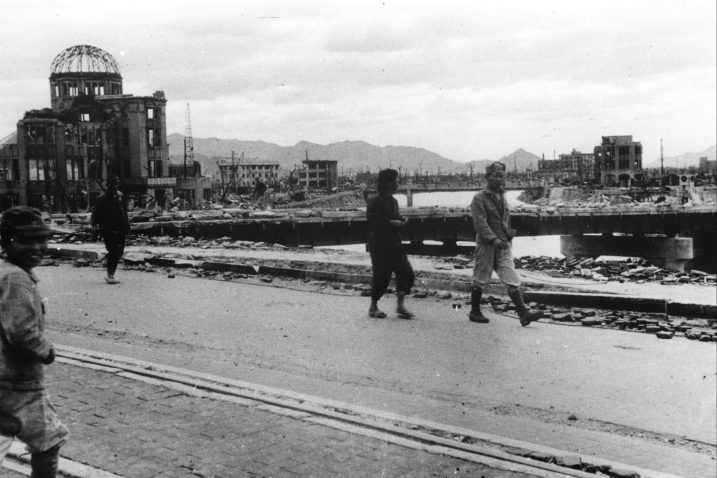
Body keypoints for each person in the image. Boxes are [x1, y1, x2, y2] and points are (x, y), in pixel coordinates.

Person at [0, 206, 69, 476]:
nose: (38, 247)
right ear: (5, 241)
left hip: (6, 378)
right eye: (27, 240)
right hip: (21, 384)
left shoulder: (7, 271)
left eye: (43, 239)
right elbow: (21, 332)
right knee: (49, 440)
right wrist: (46, 351)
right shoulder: (16, 278)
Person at [469, 162, 538, 326]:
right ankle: (474, 311)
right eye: (495, 176)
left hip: (503, 244)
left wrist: (508, 233)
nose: (499, 179)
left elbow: (505, 218)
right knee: (481, 277)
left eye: (501, 176)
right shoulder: (479, 198)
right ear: (487, 177)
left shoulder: (502, 196)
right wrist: (493, 239)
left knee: (511, 277)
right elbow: (480, 223)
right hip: (487, 244)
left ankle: (523, 313)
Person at [366, 169, 415, 319]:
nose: (397, 184)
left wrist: (401, 219)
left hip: (395, 243)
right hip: (380, 245)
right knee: (381, 276)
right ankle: (373, 307)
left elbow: (394, 218)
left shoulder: (393, 201)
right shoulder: (375, 201)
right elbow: (375, 222)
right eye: (395, 181)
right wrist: (394, 223)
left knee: (406, 273)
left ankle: (400, 306)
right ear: (388, 183)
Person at [91, 175, 130, 284]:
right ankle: (110, 275)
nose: (115, 186)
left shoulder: (120, 196)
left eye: (117, 183)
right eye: (113, 183)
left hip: (120, 229)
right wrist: (95, 229)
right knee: (114, 251)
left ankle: (109, 263)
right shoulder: (102, 199)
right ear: (108, 185)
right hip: (108, 229)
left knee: (119, 252)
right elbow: (95, 216)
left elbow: (124, 213)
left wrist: (127, 226)